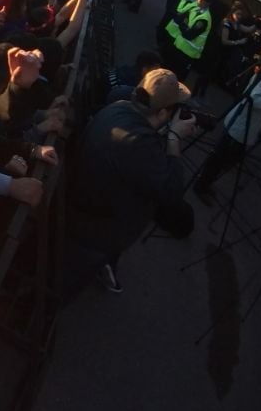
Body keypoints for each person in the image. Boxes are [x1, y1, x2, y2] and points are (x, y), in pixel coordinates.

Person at [65, 69, 199, 295]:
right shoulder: (139, 143)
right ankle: (96, 265)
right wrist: (174, 138)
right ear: (164, 113)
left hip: (85, 199)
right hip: (94, 225)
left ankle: (102, 262)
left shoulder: (118, 107)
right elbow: (172, 191)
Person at [191, 45, 261, 203]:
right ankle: (200, 186)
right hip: (240, 127)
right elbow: (256, 99)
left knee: (225, 160)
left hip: (244, 128)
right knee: (219, 160)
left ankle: (205, 184)